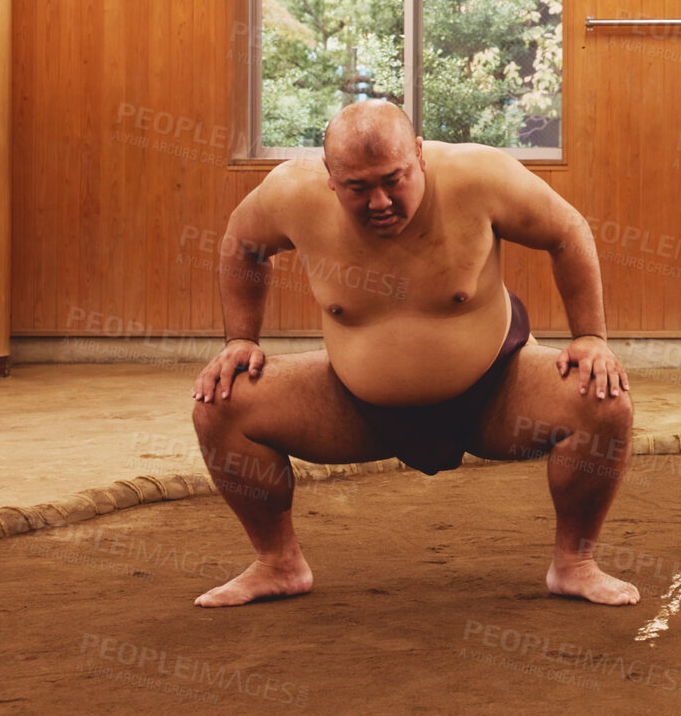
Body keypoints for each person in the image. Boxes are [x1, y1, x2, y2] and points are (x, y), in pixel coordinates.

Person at [189, 100, 638, 607]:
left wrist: (591, 337)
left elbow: (567, 230)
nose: (379, 201)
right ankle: (277, 564)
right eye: (358, 188)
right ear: (330, 177)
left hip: (497, 395)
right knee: (219, 404)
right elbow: (241, 243)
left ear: (419, 155)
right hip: (353, 408)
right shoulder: (290, 193)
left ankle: (575, 564)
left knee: (603, 399)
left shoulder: (478, 176)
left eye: (393, 179)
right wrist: (240, 341)